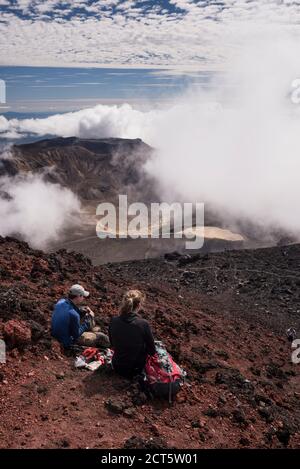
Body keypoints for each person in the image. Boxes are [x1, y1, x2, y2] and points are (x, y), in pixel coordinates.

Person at [108, 290, 156, 378]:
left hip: (117, 366)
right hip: (134, 370)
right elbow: (152, 351)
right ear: (139, 305)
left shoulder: (114, 320)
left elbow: (112, 344)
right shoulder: (143, 324)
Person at [51, 284, 109, 349]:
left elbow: (68, 310)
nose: (83, 298)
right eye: (82, 296)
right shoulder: (74, 315)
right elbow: (76, 335)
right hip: (66, 341)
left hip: (56, 335)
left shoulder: (60, 302)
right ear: (78, 296)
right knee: (100, 336)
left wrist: (79, 311)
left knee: (96, 329)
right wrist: (86, 324)